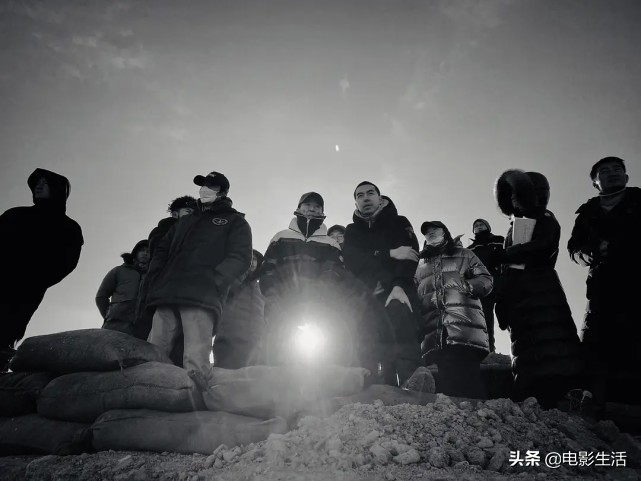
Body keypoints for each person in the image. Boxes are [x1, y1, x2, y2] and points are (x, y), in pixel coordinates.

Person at [146, 171, 252, 379]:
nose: (204, 190)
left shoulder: (235, 221)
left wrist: (214, 281)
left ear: (222, 192)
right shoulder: (185, 221)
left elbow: (241, 257)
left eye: (211, 186)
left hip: (201, 296)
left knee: (195, 360)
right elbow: (161, 251)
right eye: (203, 185)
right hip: (167, 292)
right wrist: (157, 278)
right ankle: (149, 389)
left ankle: (196, 395)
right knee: (154, 352)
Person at [494, 169, 583, 408]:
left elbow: (544, 246)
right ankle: (530, 390)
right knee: (525, 347)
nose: (514, 200)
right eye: (510, 196)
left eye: (518, 194)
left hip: (541, 290)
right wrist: (502, 300)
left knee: (553, 342)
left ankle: (564, 392)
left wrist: (506, 254)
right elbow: (508, 269)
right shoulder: (515, 226)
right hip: (518, 296)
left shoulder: (544, 216)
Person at [567, 156, 641, 416]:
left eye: (617, 169)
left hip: (636, 283)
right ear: (595, 182)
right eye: (605, 171)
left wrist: (620, 246)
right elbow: (574, 248)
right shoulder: (587, 212)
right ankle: (595, 407)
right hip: (601, 288)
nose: (612, 173)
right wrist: (587, 253)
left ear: (627, 177)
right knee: (596, 344)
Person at [0, 168, 83, 371]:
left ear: (57, 189)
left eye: (45, 183)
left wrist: (34, 279)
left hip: (26, 292)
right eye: (37, 182)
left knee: (6, 333)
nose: (38, 186)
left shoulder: (69, 228)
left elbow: (66, 263)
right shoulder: (15, 215)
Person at [342, 181, 422, 386]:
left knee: (403, 338)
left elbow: (410, 254)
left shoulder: (399, 222)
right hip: (366, 297)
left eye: (370, 193)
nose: (365, 198)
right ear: (356, 203)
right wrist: (389, 253)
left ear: (380, 198)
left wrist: (399, 285)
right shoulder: (352, 231)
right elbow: (352, 261)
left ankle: (413, 386)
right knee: (367, 345)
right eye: (360, 195)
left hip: (397, 289)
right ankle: (370, 392)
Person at [259, 192, 346, 365]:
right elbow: (268, 269)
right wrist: (272, 296)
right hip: (281, 306)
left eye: (317, 206)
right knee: (277, 354)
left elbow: (334, 273)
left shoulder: (331, 243)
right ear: (298, 208)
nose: (312, 209)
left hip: (317, 309)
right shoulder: (281, 237)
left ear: (322, 212)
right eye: (307, 205)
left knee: (315, 357)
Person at [416, 221, 491, 398]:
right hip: (436, 334)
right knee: (447, 386)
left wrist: (466, 286)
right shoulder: (420, 266)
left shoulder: (465, 254)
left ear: (445, 232)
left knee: (469, 382)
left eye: (435, 229)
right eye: (427, 232)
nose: (431, 233)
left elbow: (486, 279)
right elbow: (415, 294)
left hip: (465, 328)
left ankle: (479, 413)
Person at [134, 195, 197, 341]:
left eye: (195, 212)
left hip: (181, 293)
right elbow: (160, 258)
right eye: (188, 211)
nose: (192, 215)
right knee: (150, 337)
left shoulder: (193, 232)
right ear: (175, 214)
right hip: (159, 292)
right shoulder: (164, 230)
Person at [213, 249, 266, 368]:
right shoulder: (231, 282)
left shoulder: (260, 288)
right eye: (250, 259)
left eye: (255, 260)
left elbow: (261, 316)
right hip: (228, 343)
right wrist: (241, 273)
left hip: (254, 345)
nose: (252, 263)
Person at [96, 240, 149, 336]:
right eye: (142, 250)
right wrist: (110, 316)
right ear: (135, 253)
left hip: (143, 331)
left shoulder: (153, 276)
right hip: (115, 327)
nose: (145, 253)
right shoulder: (118, 271)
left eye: (149, 251)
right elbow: (101, 297)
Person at [467, 219, 505, 353]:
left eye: (481, 224)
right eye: (476, 226)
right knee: (485, 317)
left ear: (487, 227)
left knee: (507, 315)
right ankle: (489, 349)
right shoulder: (470, 249)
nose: (478, 227)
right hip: (482, 285)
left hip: (500, 282)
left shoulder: (499, 240)